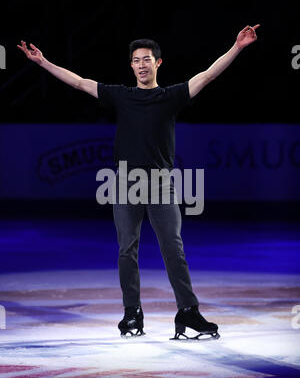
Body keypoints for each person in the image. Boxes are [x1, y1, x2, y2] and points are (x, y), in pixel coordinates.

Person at [18, 24, 260, 340]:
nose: (141, 65)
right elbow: (79, 82)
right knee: (126, 249)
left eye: (146, 59)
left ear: (158, 63)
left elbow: (208, 75)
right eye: (136, 60)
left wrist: (237, 47)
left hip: (161, 183)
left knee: (173, 247)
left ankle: (188, 311)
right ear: (131, 65)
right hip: (125, 183)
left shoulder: (171, 96)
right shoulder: (122, 96)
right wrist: (43, 63)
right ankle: (132, 314)